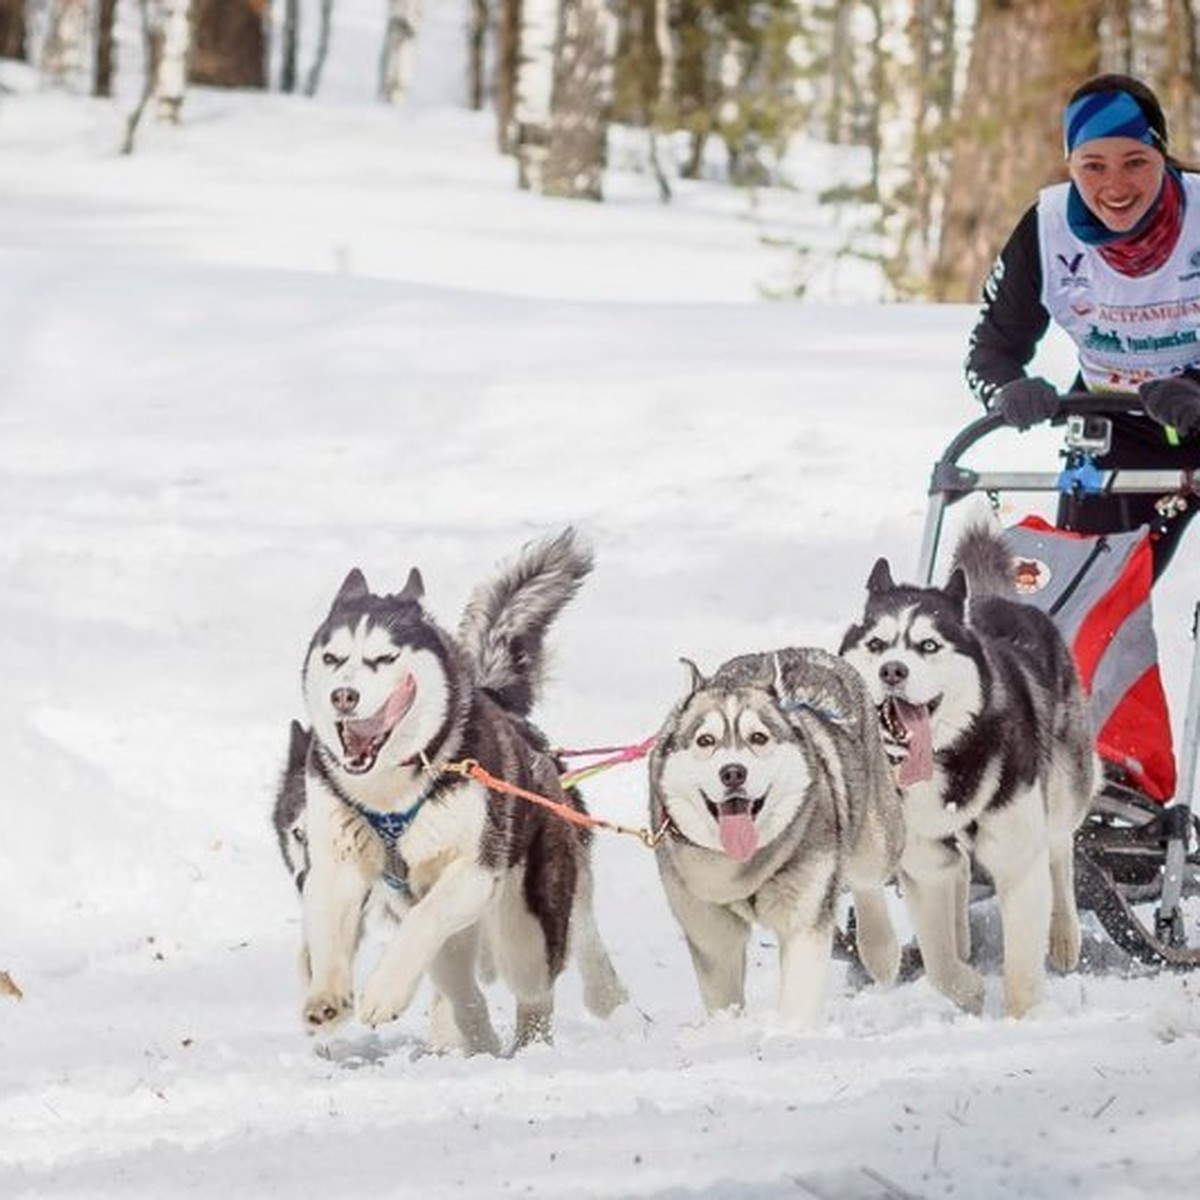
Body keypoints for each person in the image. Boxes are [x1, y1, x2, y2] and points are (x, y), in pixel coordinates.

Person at [965, 73, 1200, 578]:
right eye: (1093, 166)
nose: (1115, 186)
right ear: (1070, 164)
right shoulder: (1046, 231)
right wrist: (1008, 389)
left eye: (1135, 162)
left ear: (1162, 156)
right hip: (1116, 425)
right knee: (1081, 605)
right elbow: (989, 350)